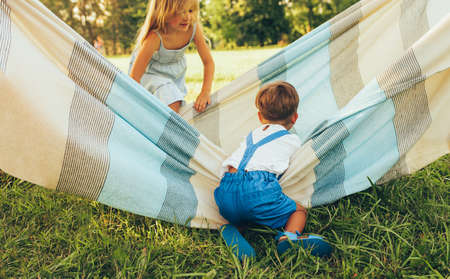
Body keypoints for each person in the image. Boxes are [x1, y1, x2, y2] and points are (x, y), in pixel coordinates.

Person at [214, 81, 332, 260]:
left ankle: (232, 228)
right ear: (294, 118)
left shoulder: (251, 135)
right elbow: (295, 163)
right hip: (258, 189)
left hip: (224, 191)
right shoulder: (291, 140)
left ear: (260, 117)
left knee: (245, 211)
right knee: (298, 211)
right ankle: (289, 237)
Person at [129, 0, 214, 113]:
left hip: (174, 76)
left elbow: (208, 62)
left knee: (174, 104)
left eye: (190, 10)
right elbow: (134, 77)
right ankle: (169, 128)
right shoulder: (154, 38)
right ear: (164, 12)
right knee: (172, 102)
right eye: (181, 12)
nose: (187, 17)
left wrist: (205, 92)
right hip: (151, 75)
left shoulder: (192, 28)